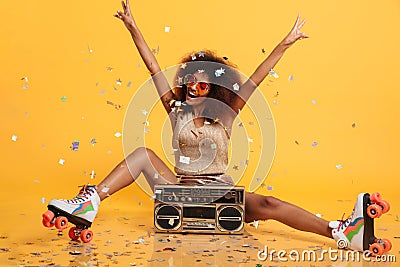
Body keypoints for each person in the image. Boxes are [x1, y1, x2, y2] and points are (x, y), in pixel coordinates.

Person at [44, 0, 391, 255]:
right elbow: (152, 67)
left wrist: (284, 45)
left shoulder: (225, 115)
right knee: (142, 154)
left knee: (268, 204)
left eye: (204, 84)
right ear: (183, 83)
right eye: (190, 82)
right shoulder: (175, 110)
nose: (196, 88)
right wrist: (133, 27)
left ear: (214, 89)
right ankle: (89, 201)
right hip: (179, 189)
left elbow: (255, 80)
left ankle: (343, 232)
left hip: (221, 193)